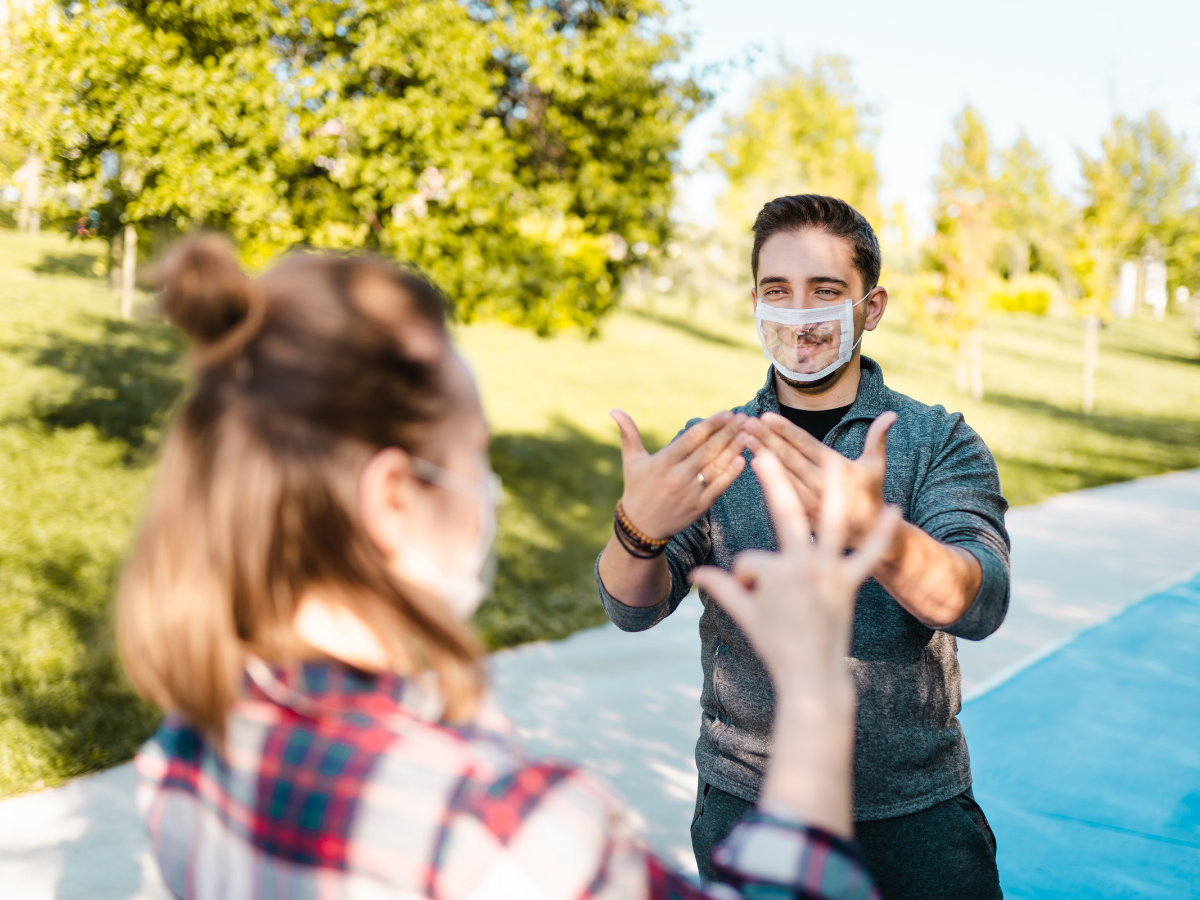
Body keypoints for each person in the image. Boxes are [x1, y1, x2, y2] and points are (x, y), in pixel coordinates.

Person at [119, 235, 899, 900]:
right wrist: (814, 692)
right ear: (394, 498)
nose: (488, 488)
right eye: (474, 452)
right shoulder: (503, 824)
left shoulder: (184, 754)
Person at [596, 194, 1010, 900]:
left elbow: (978, 601)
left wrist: (874, 536)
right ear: (755, 302)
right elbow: (633, 606)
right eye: (776, 291)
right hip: (745, 803)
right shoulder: (714, 444)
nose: (799, 315)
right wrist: (637, 528)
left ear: (870, 308)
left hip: (916, 812)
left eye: (825, 291)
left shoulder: (937, 439)